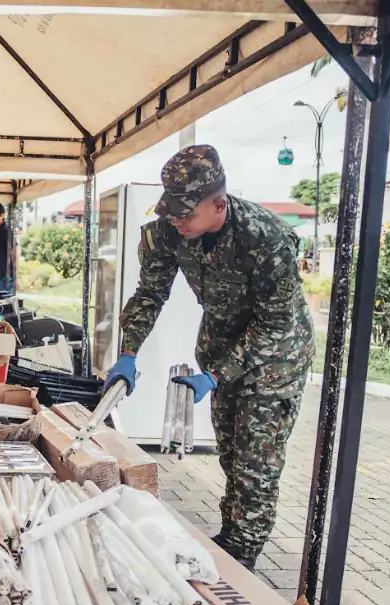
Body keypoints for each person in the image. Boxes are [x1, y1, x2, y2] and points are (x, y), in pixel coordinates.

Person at [105, 145, 313, 571]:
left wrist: (216, 376)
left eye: (186, 214)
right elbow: (149, 295)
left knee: (255, 468)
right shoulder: (167, 232)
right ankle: (229, 540)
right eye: (171, 212)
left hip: (276, 360)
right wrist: (128, 353)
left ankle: (242, 560)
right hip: (221, 349)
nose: (177, 222)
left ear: (218, 204)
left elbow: (275, 323)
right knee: (232, 454)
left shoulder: (266, 237)